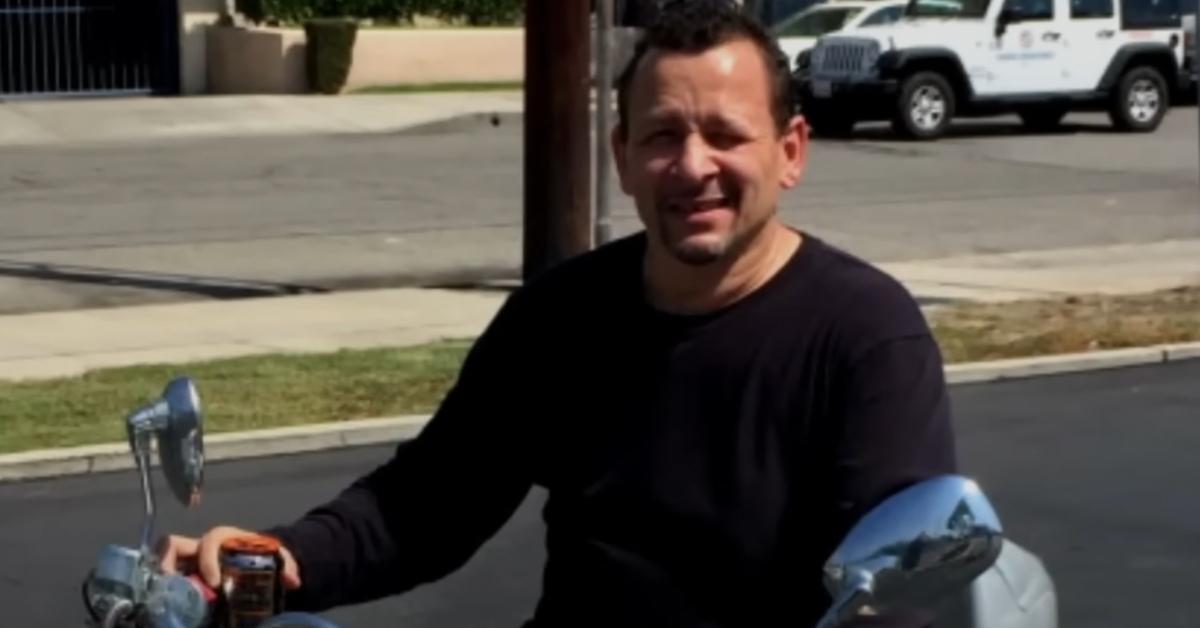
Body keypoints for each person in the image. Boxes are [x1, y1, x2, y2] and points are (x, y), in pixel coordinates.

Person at [159, 1, 957, 626]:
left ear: (790, 152)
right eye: (662, 135)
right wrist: (271, 563)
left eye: (725, 134)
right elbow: (425, 506)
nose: (691, 165)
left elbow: (889, 597)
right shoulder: (562, 315)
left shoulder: (865, 336)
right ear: (621, 157)